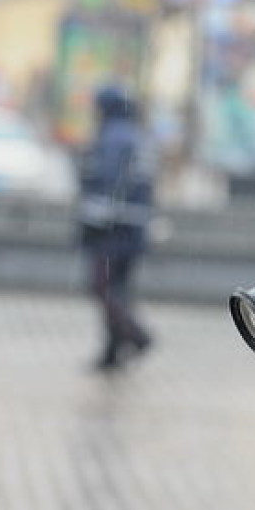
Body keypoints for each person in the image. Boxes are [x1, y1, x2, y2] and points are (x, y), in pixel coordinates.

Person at [77, 85, 156, 371]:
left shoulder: (111, 138)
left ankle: (136, 336)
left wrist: (93, 220)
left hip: (111, 229)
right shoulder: (137, 136)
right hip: (134, 227)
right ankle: (112, 352)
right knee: (119, 289)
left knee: (102, 287)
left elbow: (107, 183)